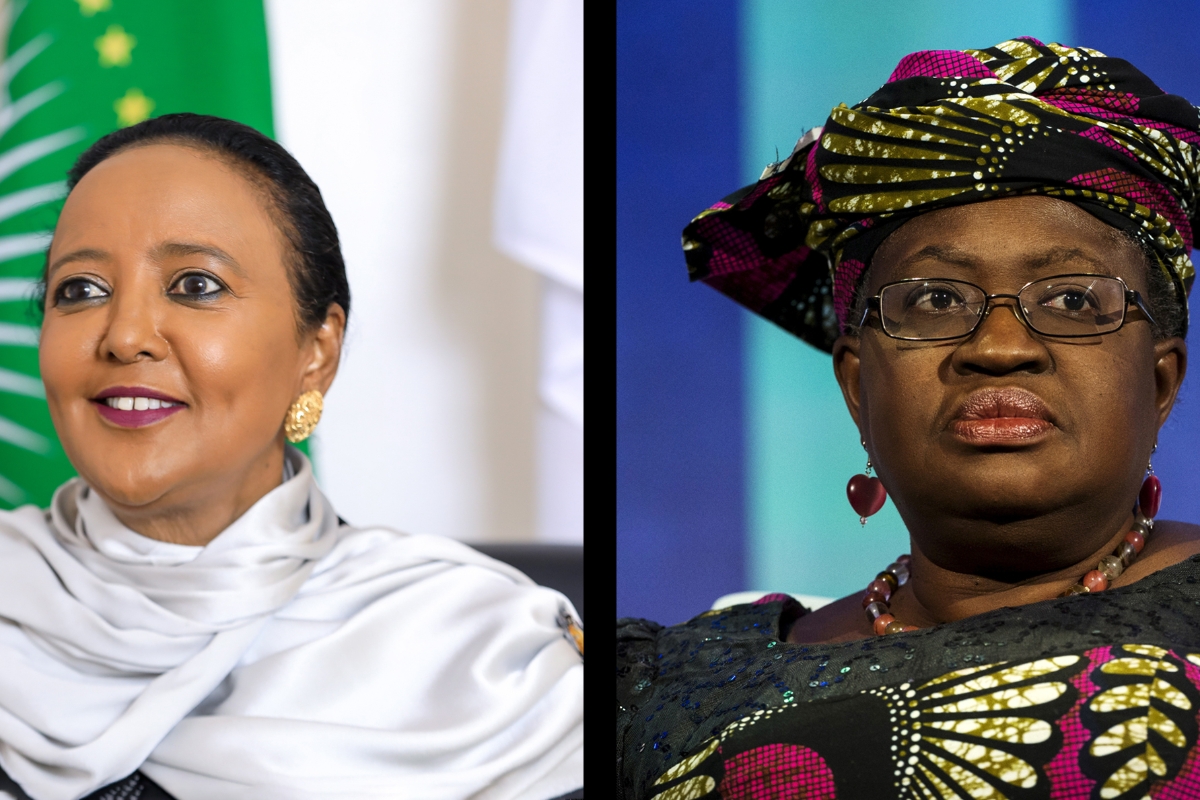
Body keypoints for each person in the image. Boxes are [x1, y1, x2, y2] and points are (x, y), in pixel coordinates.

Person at [617, 38, 1200, 798]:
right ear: (857, 384)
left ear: (1159, 380)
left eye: (1070, 300)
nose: (998, 348)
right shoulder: (667, 684)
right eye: (935, 300)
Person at [0, 113, 582, 800]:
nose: (125, 336)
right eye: (81, 291)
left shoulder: (483, 656)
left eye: (195, 285)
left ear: (317, 351)